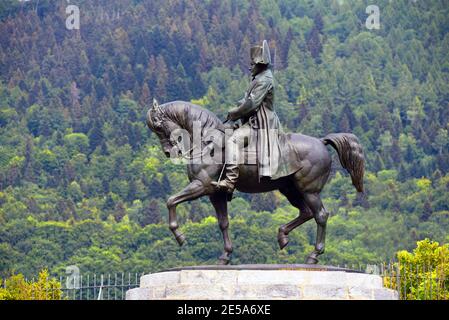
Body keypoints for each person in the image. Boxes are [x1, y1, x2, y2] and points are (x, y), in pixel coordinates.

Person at [212, 40, 283, 194]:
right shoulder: (260, 78)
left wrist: (236, 112)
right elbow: (246, 100)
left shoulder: (265, 80)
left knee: (232, 140)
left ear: (260, 64)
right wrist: (236, 109)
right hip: (253, 121)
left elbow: (251, 103)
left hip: (260, 123)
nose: (250, 67)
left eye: (253, 64)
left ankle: (230, 181)